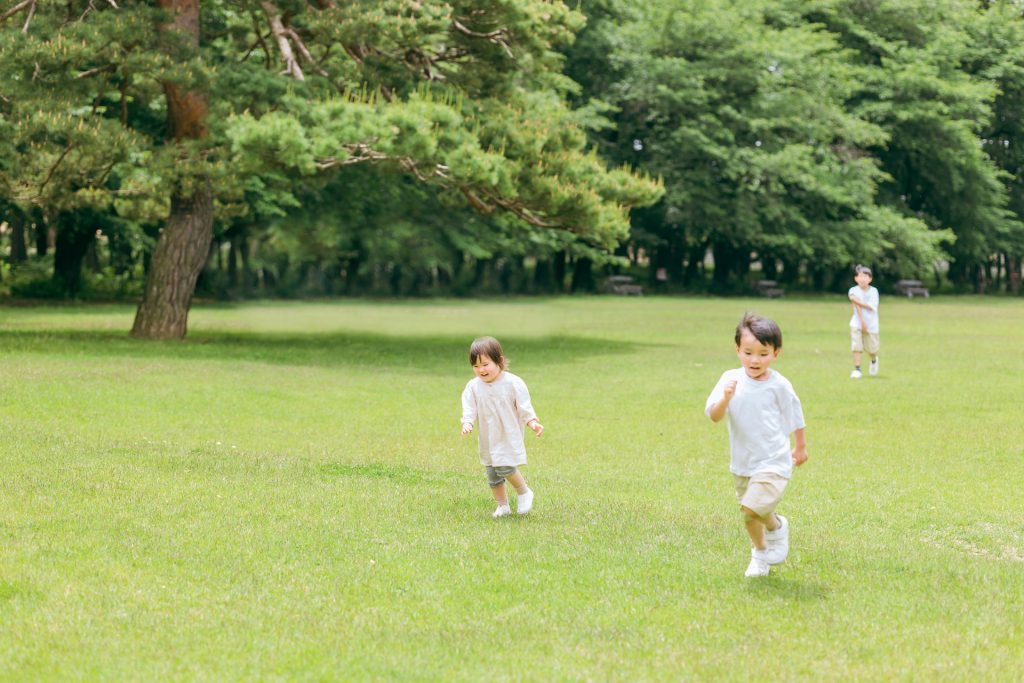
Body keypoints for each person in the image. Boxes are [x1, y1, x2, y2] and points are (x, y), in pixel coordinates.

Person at [705, 314, 809, 577]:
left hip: (774, 460)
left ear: (776, 353)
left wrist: (800, 447)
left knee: (754, 508)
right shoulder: (730, 379)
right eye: (748, 352)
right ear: (737, 349)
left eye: (763, 354)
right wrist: (726, 398)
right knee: (749, 515)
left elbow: (796, 416)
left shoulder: (779, 385)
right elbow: (714, 416)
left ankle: (776, 528)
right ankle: (760, 554)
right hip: (742, 462)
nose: (754, 360)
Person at [461, 336, 544, 518]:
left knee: (505, 467)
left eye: (485, 364)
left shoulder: (513, 383)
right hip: (488, 437)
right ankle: (503, 506)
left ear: (499, 360)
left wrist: (532, 422)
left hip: (507, 434)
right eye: (475, 366)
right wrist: (467, 422)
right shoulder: (473, 387)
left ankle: (524, 492)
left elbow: (524, 407)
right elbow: (469, 408)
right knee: (493, 475)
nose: (481, 370)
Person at [848, 264, 880, 379]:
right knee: (857, 346)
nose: (862, 279)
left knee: (872, 349)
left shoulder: (874, 291)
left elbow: (869, 307)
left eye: (865, 276)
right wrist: (861, 322)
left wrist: (857, 301)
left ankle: (874, 359)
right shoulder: (853, 290)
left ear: (870, 279)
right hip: (856, 323)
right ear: (856, 278)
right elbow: (854, 302)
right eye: (860, 276)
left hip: (871, 325)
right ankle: (857, 369)